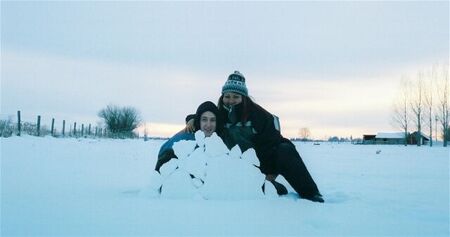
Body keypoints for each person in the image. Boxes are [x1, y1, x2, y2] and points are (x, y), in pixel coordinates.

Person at [187, 71, 324, 202]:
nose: (230, 100)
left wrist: (269, 173)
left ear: (244, 97)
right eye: (227, 96)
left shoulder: (260, 115)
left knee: (285, 149)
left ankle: (310, 193)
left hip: (262, 161)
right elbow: (207, 113)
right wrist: (192, 119)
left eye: (236, 96)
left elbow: (271, 144)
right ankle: (273, 188)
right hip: (239, 165)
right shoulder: (221, 113)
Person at [155, 101, 221, 172]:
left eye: (212, 120)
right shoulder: (184, 141)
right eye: (204, 120)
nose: (208, 124)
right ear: (198, 121)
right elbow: (160, 173)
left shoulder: (217, 141)